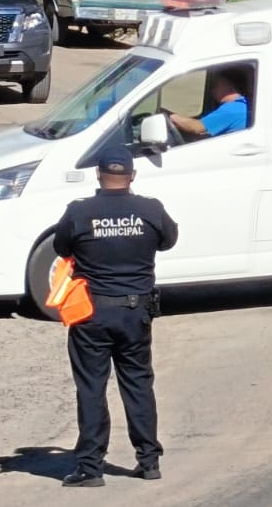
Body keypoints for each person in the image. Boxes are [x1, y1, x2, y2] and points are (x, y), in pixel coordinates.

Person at [53, 146, 179, 487]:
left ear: (98, 174)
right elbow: (168, 240)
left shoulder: (80, 212)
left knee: (91, 387)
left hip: (91, 313)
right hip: (136, 312)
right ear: (132, 176)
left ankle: (91, 468)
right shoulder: (150, 210)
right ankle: (148, 462)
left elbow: (61, 247)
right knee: (138, 383)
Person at [165, 68, 250, 139]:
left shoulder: (232, 110)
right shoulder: (242, 105)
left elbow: (197, 128)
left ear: (231, 88)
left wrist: (170, 116)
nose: (212, 90)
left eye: (216, 86)